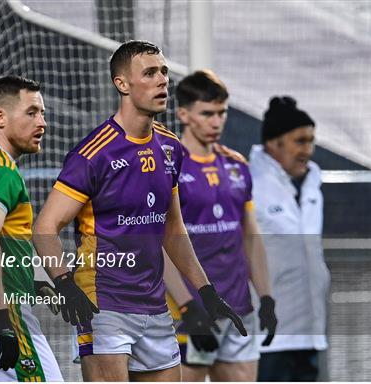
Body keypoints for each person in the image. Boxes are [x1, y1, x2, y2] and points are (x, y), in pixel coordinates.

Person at [32, 40, 246, 382]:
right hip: (104, 304)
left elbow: (173, 230)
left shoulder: (171, 148)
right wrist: (65, 284)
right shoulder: (94, 153)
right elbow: (45, 227)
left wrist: (206, 291)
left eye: (163, 71)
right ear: (122, 84)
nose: (162, 80)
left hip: (154, 306)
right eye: (150, 73)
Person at [0, 75, 95, 381]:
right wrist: (1, 315)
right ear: (0, 117)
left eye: (43, 113)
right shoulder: (1, 169)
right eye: (32, 112)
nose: (43, 122)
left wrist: (27, 282)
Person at [163, 70, 277, 381]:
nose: (216, 121)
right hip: (192, 312)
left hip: (239, 308)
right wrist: (188, 308)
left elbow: (251, 237)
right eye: (207, 113)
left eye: (221, 112)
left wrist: (266, 297)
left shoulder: (237, 165)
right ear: (184, 114)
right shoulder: (168, 165)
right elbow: (160, 244)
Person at [249, 96, 330, 381]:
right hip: (267, 337)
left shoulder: (312, 185)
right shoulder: (249, 184)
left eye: (311, 141)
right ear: (274, 143)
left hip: (309, 331)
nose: (307, 149)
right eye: (300, 141)